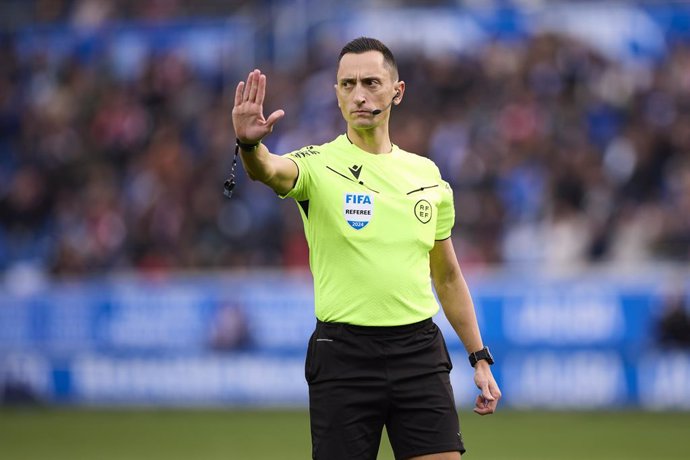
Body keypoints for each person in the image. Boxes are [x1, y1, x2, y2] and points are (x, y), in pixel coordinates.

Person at [231, 36, 501, 460]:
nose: (358, 94)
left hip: (419, 354)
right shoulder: (317, 165)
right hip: (344, 358)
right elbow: (268, 169)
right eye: (347, 84)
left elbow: (447, 275)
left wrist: (478, 357)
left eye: (371, 82)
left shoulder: (428, 175)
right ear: (336, 93)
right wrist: (250, 146)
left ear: (397, 91)